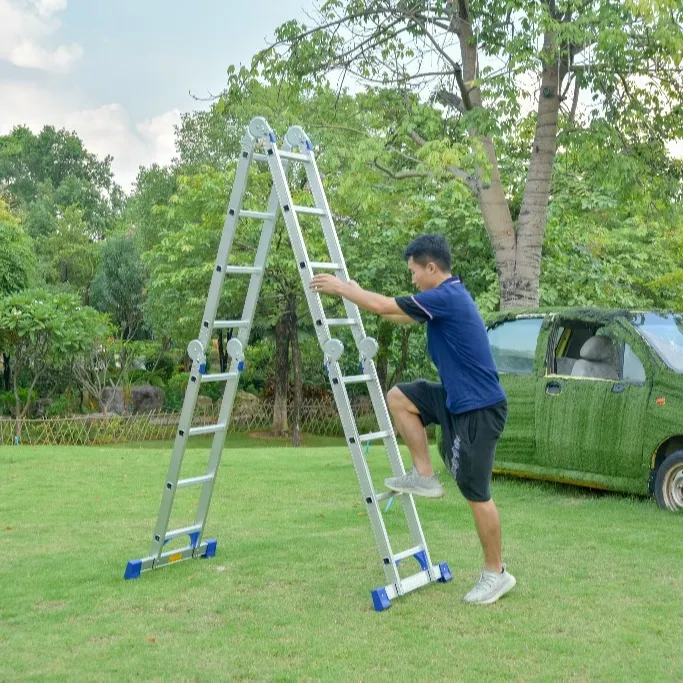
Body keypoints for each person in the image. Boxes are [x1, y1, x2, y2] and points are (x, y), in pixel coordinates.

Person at [310, 234, 515, 605]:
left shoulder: (447, 297)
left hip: (479, 408)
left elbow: (385, 305)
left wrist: (341, 288)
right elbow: (394, 312)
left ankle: (495, 573)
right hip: (457, 400)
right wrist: (354, 291)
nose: (413, 280)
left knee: (476, 494)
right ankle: (423, 477)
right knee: (400, 397)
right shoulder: (441, 300)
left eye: (414, 272)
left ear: (431, 268)